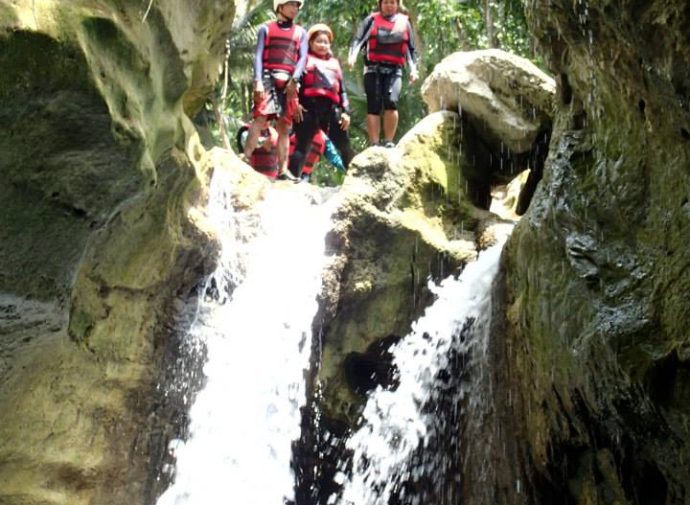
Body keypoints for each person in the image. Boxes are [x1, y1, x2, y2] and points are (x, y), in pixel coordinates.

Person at [243, 0, 308, 180]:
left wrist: (295, 79)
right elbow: (258, 55)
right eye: (292, 5)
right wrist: (258, 81)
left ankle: (283, 170)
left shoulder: (301, 33)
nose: (295, 8)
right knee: (260, 117)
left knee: (284, 127)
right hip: (267, 77)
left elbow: (302, 58)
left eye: (297, 5)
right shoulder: (266, 29)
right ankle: (245, 157)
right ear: (281, 7)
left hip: (290, 81)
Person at [348, 0, 419, 148]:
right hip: (373, 69)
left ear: (397, 4)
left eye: (392, 2)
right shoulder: (371, 20)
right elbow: (358, 40)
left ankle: (388, 141)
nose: (389, 5)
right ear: (380, 4)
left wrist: (413, 69)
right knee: (373, 105)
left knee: (391, 102)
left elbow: (411, 49)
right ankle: (374, 143)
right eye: (386, 2)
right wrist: (352, 56)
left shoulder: (405, 23)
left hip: (395, 70)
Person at [289, 23, 353, 179]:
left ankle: (355, 176)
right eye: (319, 41)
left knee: (343, 144)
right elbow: (294, 85)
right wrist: (295, 104)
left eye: (326, 42)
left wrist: (346, 112)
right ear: (310, 43)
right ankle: (292, 179)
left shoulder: (335, 63)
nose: (323, 45)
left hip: (331, 110)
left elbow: (342, 90)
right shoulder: (303, 61)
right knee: (302, 146)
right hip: (308, 108)